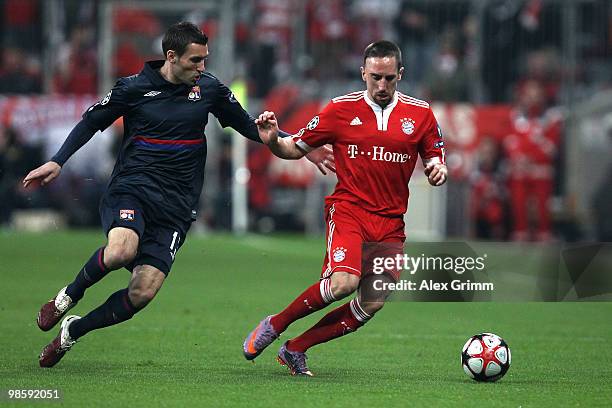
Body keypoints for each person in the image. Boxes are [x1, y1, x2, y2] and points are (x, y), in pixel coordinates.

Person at [23, 22, 334, 368]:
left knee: (142, 293)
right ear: (171, 57)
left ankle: (73, 331)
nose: (202, 68)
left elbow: (251, 126)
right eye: (195, 61)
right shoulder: (133, 88)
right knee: (120, 250)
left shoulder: (210, 89)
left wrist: (303, 146)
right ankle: (68, 297)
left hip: (176, 206)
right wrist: (57, 161)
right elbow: (90, 122)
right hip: (133, 189)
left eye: (205, 60)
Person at [243, 40, 447, 376]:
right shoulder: (339, 109)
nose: (382, 86)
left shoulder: (420, 114)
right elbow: (294, 148)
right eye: (375, 77)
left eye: (389, 79)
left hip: (391, 223)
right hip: (350, 210)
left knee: (372, 302)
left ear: (401, 75)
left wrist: (439, 170)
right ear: (363, 73)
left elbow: (436, 158)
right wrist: (272, 141)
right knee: (343, 283)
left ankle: (296, 348)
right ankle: (275, 324)